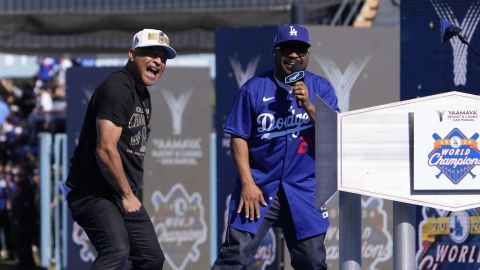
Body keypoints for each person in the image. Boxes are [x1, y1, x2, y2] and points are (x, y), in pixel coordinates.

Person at [213, 24, 339, 270]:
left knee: (312, 261)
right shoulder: (253, 88)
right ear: (276, 53)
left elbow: (336, 132)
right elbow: (238, 136)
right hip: (259, 188)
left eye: (300, 50)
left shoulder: (320, 89)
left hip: (304, 189)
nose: (294, 56)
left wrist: (311, 108)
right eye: (287, 50)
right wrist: (248, 183)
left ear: (308, 55)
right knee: (234, 258)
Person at [65, 29, 176, 270]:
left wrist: (128, 194)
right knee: (116, 251)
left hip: (121, 194)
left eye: (163, 57)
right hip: (94, 193)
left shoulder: (142, 95)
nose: (158, 61)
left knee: (151, 257)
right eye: (151, 54)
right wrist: (127, 195)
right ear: (131, 54)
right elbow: (105, 149)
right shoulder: (118, 88)